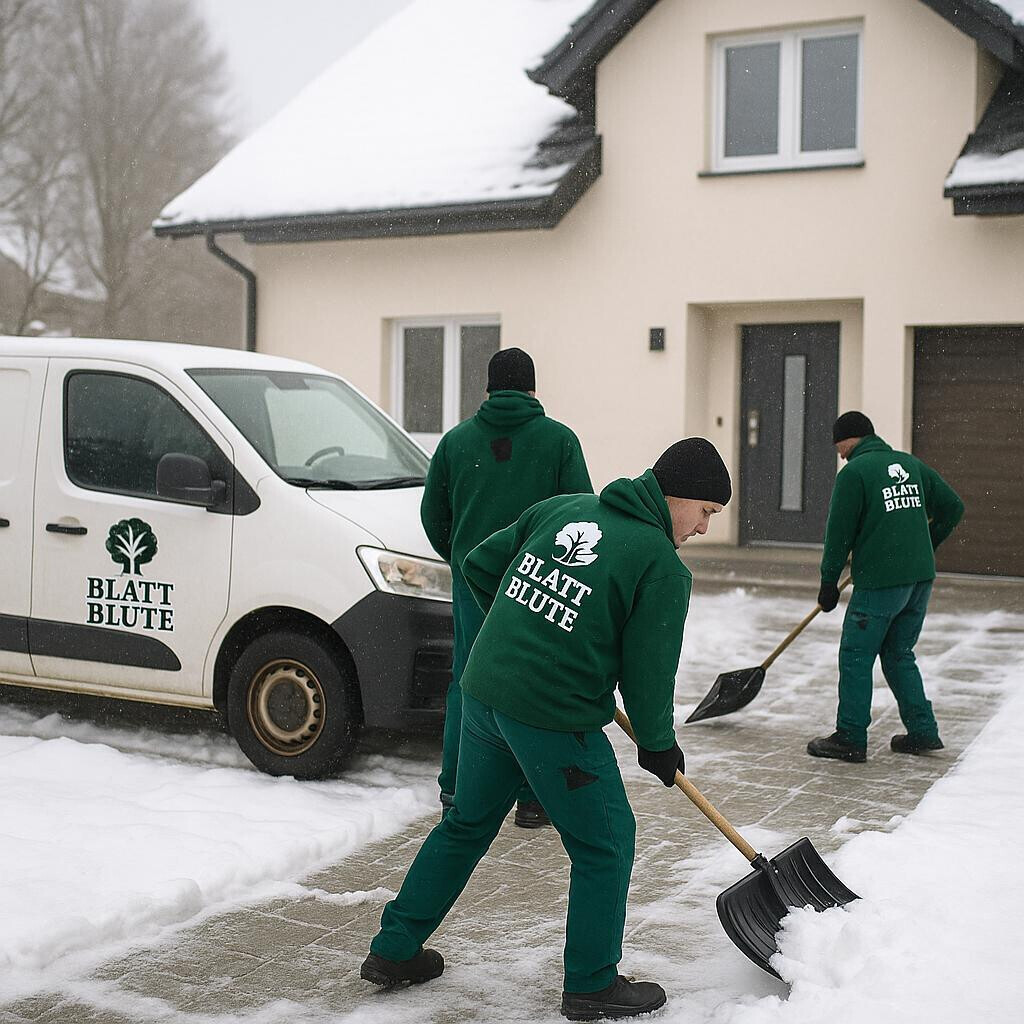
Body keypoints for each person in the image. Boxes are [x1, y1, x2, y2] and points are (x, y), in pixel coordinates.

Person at [361, 438, 731, 1021]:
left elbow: (480, 565)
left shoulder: (565, 509)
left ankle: (395, 949)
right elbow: (648, 675)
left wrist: (522, 636)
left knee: (465, 823)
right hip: (554, 718)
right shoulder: (660, 564)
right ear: (676, 495)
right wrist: (657, 743)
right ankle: (591, 984)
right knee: (605, 844)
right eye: (707, 511)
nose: (705, 528)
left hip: (485, 697)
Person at [420, 347, 592, 828]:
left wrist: (461, 558)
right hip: (539, 583)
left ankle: (457, 790)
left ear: (489, 389)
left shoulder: (455, 443)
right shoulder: (560, 441)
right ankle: (533, 799)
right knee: (534, 684)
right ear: (533, 389)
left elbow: (433, 516)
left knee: (469, 681)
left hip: (474, 583)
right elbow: (581, 515)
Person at [808, 411, 964, 763]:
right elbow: (953, 507)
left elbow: (838, 535)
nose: (838, 452)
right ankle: (923, 730)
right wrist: (925, 545)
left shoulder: (855, 474)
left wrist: (828, 582)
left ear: (849, 439)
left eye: (838, 444)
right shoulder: (911, 465)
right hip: (919, 580)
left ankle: (850, 736)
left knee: (856, 655)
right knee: (898, 654)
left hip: (881, 582)